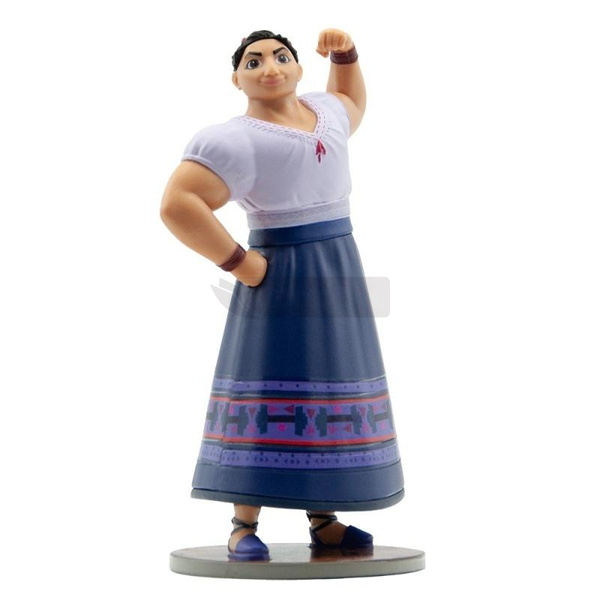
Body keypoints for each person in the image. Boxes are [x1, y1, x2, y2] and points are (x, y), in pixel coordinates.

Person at [160, 28, 405, 561]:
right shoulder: (236, 140)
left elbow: (351, 99)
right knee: (265, 381)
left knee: (330, 378)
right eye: (254, 61)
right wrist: (239, 262)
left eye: (280, 56)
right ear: (236, 78)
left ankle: (324, 519)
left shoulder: (326, 112)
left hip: (338, 263)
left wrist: (345, 55)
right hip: (280, 270)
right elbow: (178, 203)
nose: (269, 67)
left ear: (297, 67)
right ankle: (243, 524)